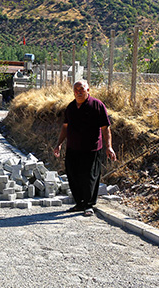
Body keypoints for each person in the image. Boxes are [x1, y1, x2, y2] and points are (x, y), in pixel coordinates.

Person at [53, 80, 117, 217]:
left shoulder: (97, 105)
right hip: (73, 148)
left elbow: (106, 128)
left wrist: (109, 147)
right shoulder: (70, 108)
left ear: (88, 90)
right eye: (76, 89)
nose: (79, 92)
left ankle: (88, 205)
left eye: (82, 89)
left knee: (89, 177)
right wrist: (59, 144)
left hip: (92, 149)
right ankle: (79, 203)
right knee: (73, 176)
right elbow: (65, 127)